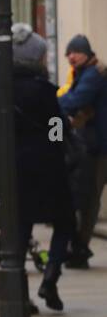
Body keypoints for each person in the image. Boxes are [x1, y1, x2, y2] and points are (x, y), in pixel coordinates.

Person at [10, 24, 76, 312]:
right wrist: (60, 135)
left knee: (20, 229)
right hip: (48, 167)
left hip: (15, 168)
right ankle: (50, 277)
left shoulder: (4, 89)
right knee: (64, 223)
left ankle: (20, 294)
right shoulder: (45, 91)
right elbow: (56, 131)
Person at [58, 34, 107, 268]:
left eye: (74, 52)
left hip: (99, 147)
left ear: (86, 53)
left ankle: (80, 247)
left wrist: (50, 104)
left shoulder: (93, 75)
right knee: (85, 197)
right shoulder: (84, 73)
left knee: (88, 198)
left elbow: (75, 99)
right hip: (93, 144)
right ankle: (78, 246)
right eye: (68, 53)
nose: (70, 57)